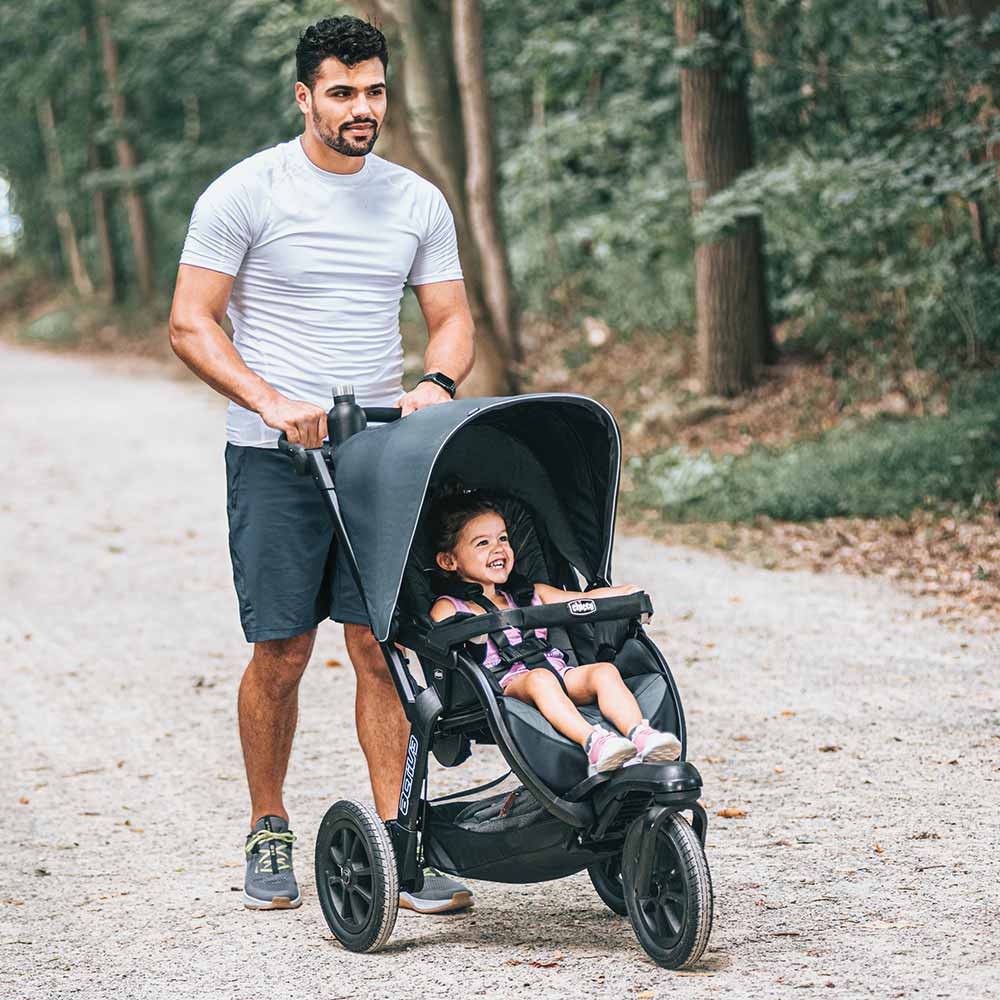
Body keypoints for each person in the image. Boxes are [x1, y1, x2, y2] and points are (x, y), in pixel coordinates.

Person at [168, 16, 475, 914]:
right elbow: (192, 321)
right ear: (305, 95)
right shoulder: (247, 191)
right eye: (342, 91)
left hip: (381, 452)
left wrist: (435, 380)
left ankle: (396, 840)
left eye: (373, 90)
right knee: (283, 650)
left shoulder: (416, 199)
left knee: (381, 647)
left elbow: (451, 317)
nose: (361, 107)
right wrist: (269, 401)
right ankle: (269, 823)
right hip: (275, 457)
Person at [428, 490, 682, 774]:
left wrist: (626, 596)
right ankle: (595, 741)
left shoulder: (533, 594)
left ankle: (641, 736)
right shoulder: (448, 606)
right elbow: (438, 636)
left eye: (503, 538)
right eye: (482, 543)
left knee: (603, 672)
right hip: (506, 687)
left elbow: (585, 602)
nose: (498, 548)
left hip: (560, 675)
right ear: (449, 562)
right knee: (539, 679)